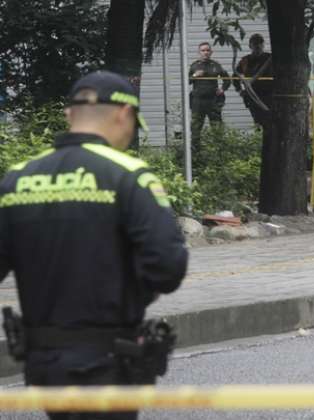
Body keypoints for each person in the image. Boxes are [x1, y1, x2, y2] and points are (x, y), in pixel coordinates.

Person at [0, 71, 189, 419]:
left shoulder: (18, 179)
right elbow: (168, 265)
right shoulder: (129, 175)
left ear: (69, 114)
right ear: (123, 114)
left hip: (43, 366)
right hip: (108, 361)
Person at [189, 42, 231, 153]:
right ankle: (195, 153)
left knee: (217, 129)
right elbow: (187, 80)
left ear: (211, 52)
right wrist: (194, 75)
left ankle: (219, 154)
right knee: (195, 129)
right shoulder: (194, 65)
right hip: (197, 102)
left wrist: (222, 89)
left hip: (213, 101)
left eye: (207, 50)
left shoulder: (216, 65)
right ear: (199, 52)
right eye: (203, 50)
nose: (205, 52)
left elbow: (227, 79)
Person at [234, 33, 273, 131]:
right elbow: (235, 77)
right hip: (252, 95)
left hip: (269, 95)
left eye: (260, 43)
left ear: (263, 45)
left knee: (269, 121)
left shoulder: (270, 58)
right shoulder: (245, 61)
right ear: (250, 46)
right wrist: (240, 91)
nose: (258, 46)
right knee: (257, 122)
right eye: (255, 43)